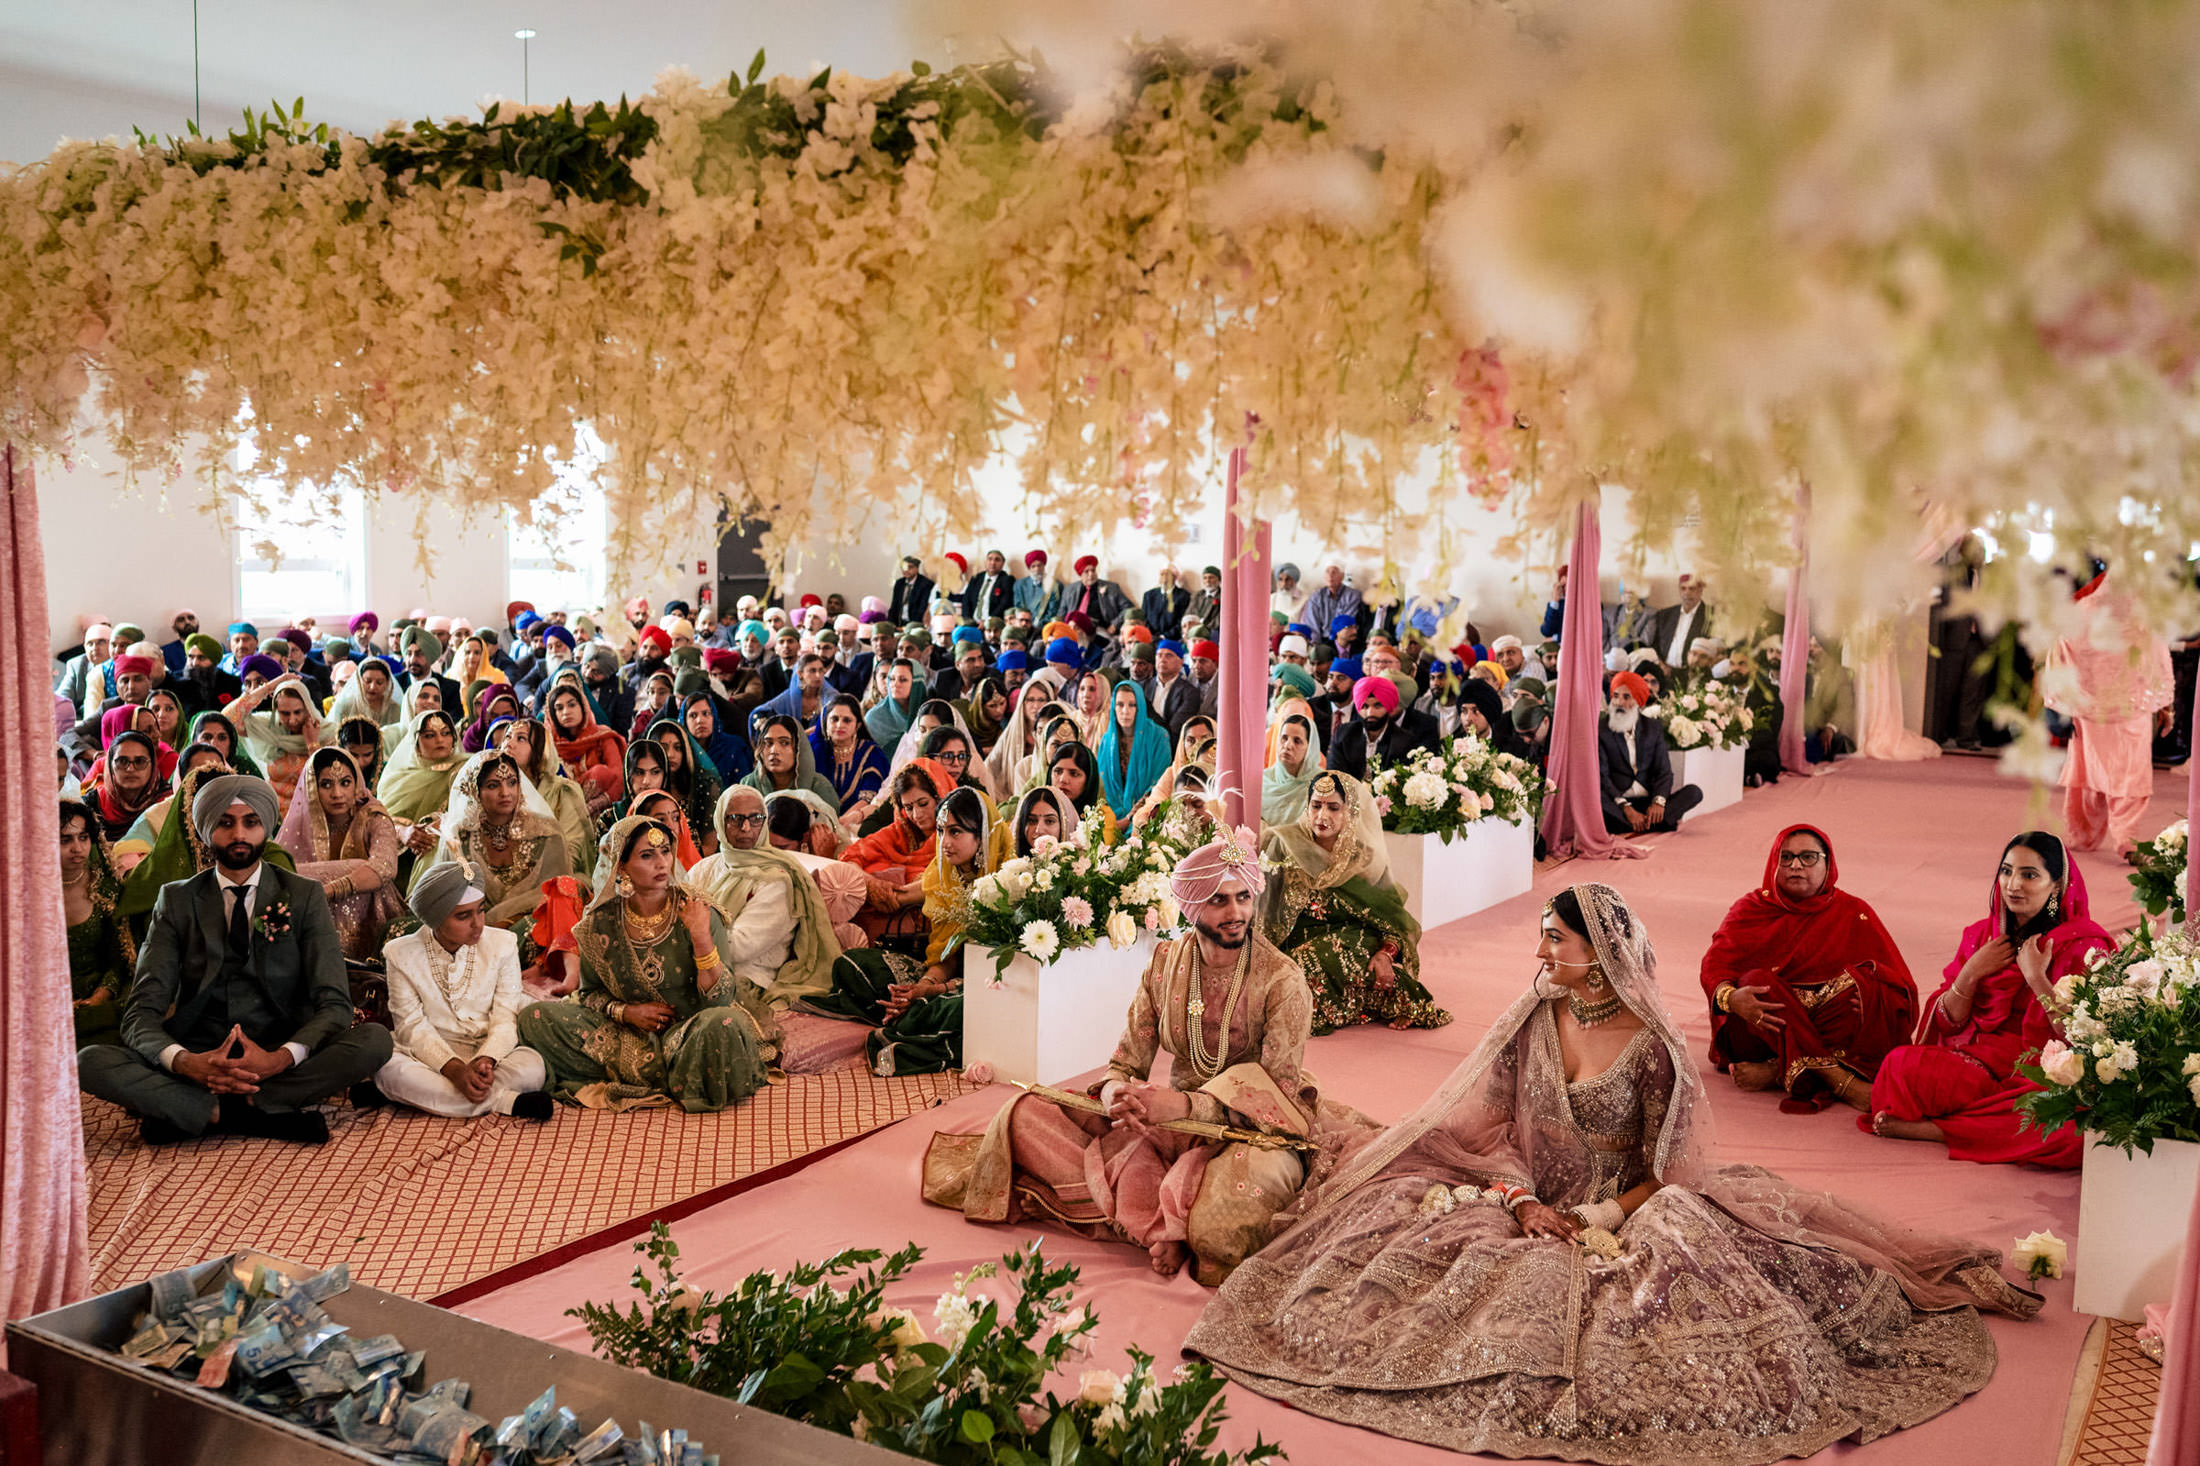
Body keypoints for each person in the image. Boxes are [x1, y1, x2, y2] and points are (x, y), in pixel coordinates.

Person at [1187, 882, 2043, 1458]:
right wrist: (1521, 1201)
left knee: (1668, 1310)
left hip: (1628, 1210)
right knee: (1383, 1261)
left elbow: (1668, 1173)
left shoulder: (1652, 1046)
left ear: (1596, 952)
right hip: (1521, 1197)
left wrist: (1598, 1220)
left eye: (1554, 940)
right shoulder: (1535, 1017)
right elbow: (1488, 1128)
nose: (1542, 951)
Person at [925, 830, 1356, 1284]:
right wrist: (1116, 1094)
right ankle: (1161, 1219)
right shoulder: (1165, 964)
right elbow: (1125, 1062)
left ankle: (1149, 1214)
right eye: (1220, 900)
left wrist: (1186, 1106)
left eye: (1243, 897)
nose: (1236, 913)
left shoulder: (1281, 981)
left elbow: (1277, 1098)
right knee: (1022, 1112)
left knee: (1219, 1230)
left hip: (1251, 1135)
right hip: (1166, 1126)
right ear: (1193, 908)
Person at [79, 775, 394, 1144]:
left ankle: (200, 1111)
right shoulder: (177, 901)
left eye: (251, 822)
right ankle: (260, 1114)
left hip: (278, 1051)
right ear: (206, 831)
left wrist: (278, 1059)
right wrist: (186, 1062)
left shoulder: (303, 895)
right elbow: (140, 1013)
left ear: (266, 828)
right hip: (200, 1053)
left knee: (375, 1042)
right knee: (89, 1061)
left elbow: (335, 1003)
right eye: (226, 823)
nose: (239, 834)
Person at [1866, 832, 2110, 1165]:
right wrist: (1970, 973)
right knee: (1900, 1065)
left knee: (2078, 1128)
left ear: (2056, 886)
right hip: (1980, 1067)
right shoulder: (1983, 936)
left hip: (2044, 1074)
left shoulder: (2084, 946)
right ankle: (1981, 1123)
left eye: (2029, 875)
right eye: (2007, 871)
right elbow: (1947, 1024)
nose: (2013, 884)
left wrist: (2036, 978)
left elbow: (2086, 1039)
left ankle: (1939, 1129)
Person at [517, 816, 780, 1111]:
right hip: (625, 1036)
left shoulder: (699, 910)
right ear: (621, 865)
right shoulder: (599, 924)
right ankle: (677, 1074)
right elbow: (589, 996)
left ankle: (656, 1072)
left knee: (723, 1025)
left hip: (690, 1031)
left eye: (666, 851)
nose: (662, 863)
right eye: (647, 855)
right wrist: (626, 1012)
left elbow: (720, 1000)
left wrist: (701, 937)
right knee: (535, 1018)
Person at [1700, 825, 1919, 1113]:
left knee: (1871, 985)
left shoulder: (1852, 911)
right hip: (1759, 1032)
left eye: (1808, 857)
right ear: (1774, 863)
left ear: (1828, 863)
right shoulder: (1751, 908)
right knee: (1756, 980)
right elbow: (1713, 966)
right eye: (1787, 857)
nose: (1796, 866)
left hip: (1820, 1025)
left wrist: (1867, 997)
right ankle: (1839, 1080)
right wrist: (1732, 999)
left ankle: (1779, 1070)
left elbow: (1901, 987)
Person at [809, 786, 994, 1075]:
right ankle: (905, 1011)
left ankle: (909, 1023)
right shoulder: (944, 875)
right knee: (853, 963)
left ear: (981, 834)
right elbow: (945, 958)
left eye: (956, 832)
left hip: (985, 988)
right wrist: (918, 988)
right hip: (946, 979)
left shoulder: (1007, 882)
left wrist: (933, 990)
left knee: (956, 1008)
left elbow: (996, 974)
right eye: (942, 830)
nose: (945, 842)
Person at [1259, 771, 1445, 1034]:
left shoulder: (1363, 858)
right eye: (1316, 805)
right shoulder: (1284, 844)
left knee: (1344, 961)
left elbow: (1393, 919)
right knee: (1293, 973)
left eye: (1333, 808)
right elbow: (1262, 911)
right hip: (1294, 943)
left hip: (1352, 943)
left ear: (1350, 812)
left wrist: (1386, 954)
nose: (1322, 816)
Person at [374, 861, 553, 1119]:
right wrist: (455, 1070)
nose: (478, 923)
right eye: (463, 916)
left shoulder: (503, 945)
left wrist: (486, 1060)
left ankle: (428, 1100)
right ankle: (507, 1102)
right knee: (389, 1068)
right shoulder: (400, 954)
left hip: (491, 1053)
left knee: (533, 1067)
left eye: (480, 911)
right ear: (435, 918)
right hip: (430, 1058)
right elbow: (410, 1026)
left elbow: (505, 1017)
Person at [2047, 566, 2176, 853]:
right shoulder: (2142, 618)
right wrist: (2166, 706)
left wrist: (2060, 701)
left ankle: (2083, 836)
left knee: (2088, 774)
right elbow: (2159, 662)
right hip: (2131, 712)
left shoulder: (2082, 612)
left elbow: (2060, 654)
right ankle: (2126, 839)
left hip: (2089, 710)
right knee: (2130, 775)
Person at [687, 787, 843, 1009]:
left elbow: (738, 949)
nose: (746, 828)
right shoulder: (706, 867)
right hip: (695, 967)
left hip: (746, 981)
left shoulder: (777, 879)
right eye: (736, 819)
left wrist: (693, 933)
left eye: (756, 818)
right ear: (720, 820)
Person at [276, 747, 404, 960]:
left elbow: (384, 867)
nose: (337, 794)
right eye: (326, 784)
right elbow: (281, 874)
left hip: (370, 921)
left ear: (357, 784)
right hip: (315, 919)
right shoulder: (300, 824)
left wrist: (326, 891)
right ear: (312, 788)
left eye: (345, 783)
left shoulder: (374, 817)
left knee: (359, 870)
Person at [61, 797, 137, 1048]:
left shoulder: (105, 887)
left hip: (100, 1002)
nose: (77, 848)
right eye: (65, 840)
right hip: (44, 1002)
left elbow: (119, 960)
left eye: (83, 838)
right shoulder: (24, 895)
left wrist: (99, 997)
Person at [840, 762, 944, 943]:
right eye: (909, 808)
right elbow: (849, 858)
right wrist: (871, 884)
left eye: (923, 803)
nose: (917, 815)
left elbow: (947, 881)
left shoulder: (954, 835)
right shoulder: (898, 833)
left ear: (940, 797)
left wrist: (890, 896)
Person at [1599, 670, 1703, 832]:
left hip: (1647, 801)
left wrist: (1658, 802)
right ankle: (1651, 824)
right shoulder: (1602, 730)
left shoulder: (1652, 728)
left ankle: (1641, 823)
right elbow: (1602, 777)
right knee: (1595, 799)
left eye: (1626, 697)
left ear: (1638, 702)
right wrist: (1626, 808)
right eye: (1616, 696)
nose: (1619, 702)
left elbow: (1664, 772)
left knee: (1694, 792)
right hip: (1618, 802)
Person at [496, 716, 599, 864]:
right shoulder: (493, 790)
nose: (509, 744)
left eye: (521, 739)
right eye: (507, 737)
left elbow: (572, 848)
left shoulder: (561, 792)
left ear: (540, 750)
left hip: (555, 874)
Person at [1326, 673, 1438, 780]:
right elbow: (1335, 775)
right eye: (1364, 706)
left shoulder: (1404, 741)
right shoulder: (1344, 734)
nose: (1370, 713)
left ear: (1389, 707)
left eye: (1377, 706)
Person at [1094, 678, 1172, 821]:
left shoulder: (1159, 737)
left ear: (1140, 707)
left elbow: (1159, 785)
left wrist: (1130, 819)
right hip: (1111, 819)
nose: (1125, 711)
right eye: (1120, 704)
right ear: (1113, 707)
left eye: (1132, 705)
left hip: (1148, 818)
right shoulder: (1107, 741)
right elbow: (1101, 787)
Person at [544, 678, 627, 812]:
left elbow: (619, 778)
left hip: (601, 813)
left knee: (600, 773)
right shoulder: (548, 744)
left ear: (583, 707)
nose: (566, 712)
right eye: (559, 708)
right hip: (561, 812)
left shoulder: (602, 736)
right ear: (552, 715)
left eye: (572, 705)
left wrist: (594, 805)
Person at [377, 706, 465, 830]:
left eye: (446, 733)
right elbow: (383, 822)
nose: (440, 740)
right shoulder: (398, 779)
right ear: (416, 743)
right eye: (429, 735)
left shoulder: (465, 769)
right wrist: (404, 832)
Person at [741, 711, 844, 813]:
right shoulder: (748, 786)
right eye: (768, 743)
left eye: (784, 743)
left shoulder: (819, 787)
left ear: (799, 749)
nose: (774, 751)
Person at [87, 728, 168, 841]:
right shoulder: (90, 806)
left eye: (140, 761)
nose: (130, 769)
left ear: (153, 765)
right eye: (122, 761)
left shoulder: (167, 803)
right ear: (110, 766)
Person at [1261, 711, 1324, 830]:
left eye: (1297, 741)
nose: (1288, 745)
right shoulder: (1263, 781)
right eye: (1284, 738)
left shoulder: (1321, 784)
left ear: (1310, 748)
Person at [1642, 571, 1715, 665]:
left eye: (1692, 589)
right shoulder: (1665, 615)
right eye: (1683, 588)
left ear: (1700, 591)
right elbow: (1655, 645)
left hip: (1691, 672)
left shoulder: (1710, 616)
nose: (1687, 593)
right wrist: (1660, 664)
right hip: (1664, 670)